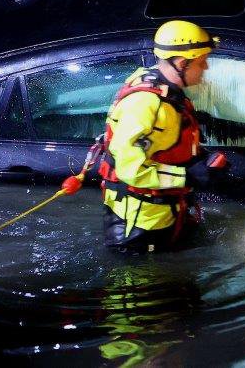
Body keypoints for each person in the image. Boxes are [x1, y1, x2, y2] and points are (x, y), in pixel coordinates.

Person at [96, 20, 228, 253]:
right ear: (181, 63)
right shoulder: (146, 104)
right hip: (139, 229)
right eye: (201, 62)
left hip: (163, 216)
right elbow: (130, 169)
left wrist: (201, 160)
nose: (206, 68)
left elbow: (165, 146)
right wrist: (187, 176)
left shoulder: (165, 91)